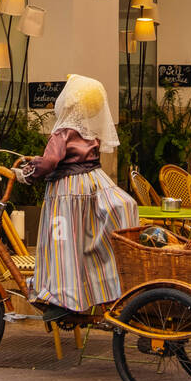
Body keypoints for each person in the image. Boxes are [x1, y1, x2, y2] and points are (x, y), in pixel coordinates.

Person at [20, 74, 139, 321]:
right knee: (83, 243)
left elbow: (52, 161)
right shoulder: (89, 133)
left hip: (67, 191)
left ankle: (62, 299)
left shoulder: (62, 132)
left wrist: (28, 174)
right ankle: (102, 288)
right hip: (92, 185)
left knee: (63, 245)